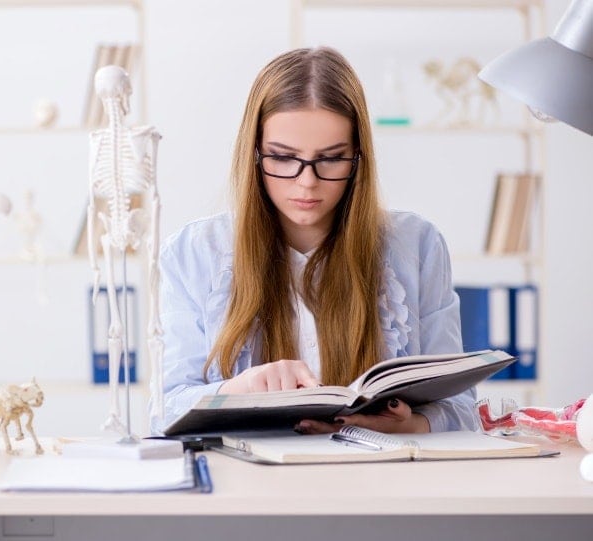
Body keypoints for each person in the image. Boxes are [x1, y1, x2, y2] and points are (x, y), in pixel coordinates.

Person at [150, 46, 477, 436]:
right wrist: (241, 388)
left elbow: (462, 410)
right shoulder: (193, 252)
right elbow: (164, 414)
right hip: (245, 473)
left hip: (379, 469)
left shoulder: (417, 244)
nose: (307, 182)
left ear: (358, 157)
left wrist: (412, 425)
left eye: (331, 159)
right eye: (283, 158)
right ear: (254, 154)